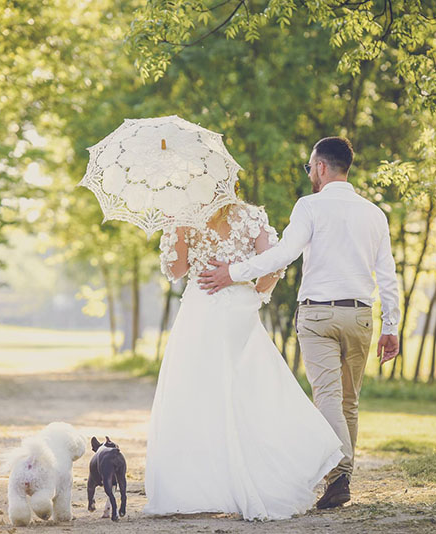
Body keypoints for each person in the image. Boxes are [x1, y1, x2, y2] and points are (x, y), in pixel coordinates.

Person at [198, 137, 401, 509]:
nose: (310, 173)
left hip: (318, 315)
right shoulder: (374, 213)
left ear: (321, 167)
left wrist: (234, 273)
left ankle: (338, 476)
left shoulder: (309, 206)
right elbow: (387, 275)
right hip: (360, 316)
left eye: (309, 167)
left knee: (328, 397)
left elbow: (284, 254)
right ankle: (343, 476)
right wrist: (392, 325)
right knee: (349, 402)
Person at [143, 200, 344, 521]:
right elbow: (275, 265)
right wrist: (255, 290)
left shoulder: (184, 213)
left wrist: (175, 226)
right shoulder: (253, 215)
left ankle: (202, 487)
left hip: (201, 309)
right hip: (239, 309)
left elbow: (176, 271)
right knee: (246, 391)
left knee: (197, 395)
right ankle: (256, 474)